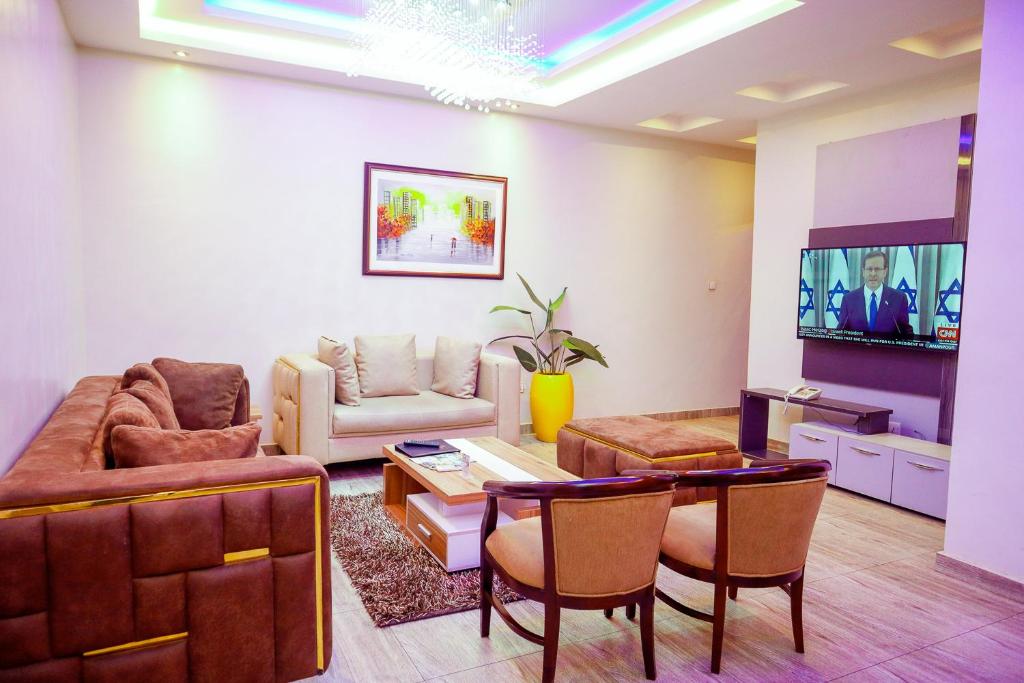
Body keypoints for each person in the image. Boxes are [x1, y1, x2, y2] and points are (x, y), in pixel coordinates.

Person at [837, 250, 913, 336]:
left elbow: (906, 334)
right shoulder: (848, 300)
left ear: (885, 272)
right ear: (863, 272)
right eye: (869, 269)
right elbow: (840, 333)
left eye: (877, 269)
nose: (873, 274)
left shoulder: (899, 299)